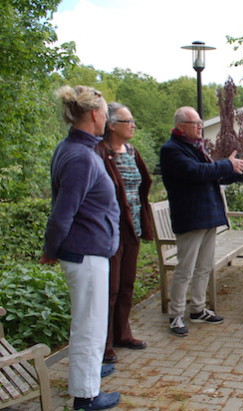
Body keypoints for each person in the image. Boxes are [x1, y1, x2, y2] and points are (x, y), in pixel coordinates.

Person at [40, 85, 121, 410]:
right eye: (105, 113)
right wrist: (51, 248)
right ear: (93, 115)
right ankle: (86, 396)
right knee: (90, 324)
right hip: (85, 254)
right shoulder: (80, 156)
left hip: (87, 251)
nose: (107, 119)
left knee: (89, 320)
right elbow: (62, 212)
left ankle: (87, 373)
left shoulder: (73, 148)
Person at [160, 106, 243, 337]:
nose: (200, 126)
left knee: (204, 266)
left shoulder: (196, 147)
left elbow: (212, 173)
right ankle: (176, 316)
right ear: (180, 127)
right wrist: (226, 164)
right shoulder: (172, 150)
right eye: (195, 122)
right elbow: (195, 172)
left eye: (200, 122)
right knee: (185, 269)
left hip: (207, 216)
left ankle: (197, 309)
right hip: (190, 218)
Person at [95, 103, 153, 364]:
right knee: (111, 289)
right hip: (111, 231)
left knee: (127, 284)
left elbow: (143, 185)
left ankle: (122, 334)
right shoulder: (99, 152)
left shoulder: (131, 151)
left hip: (133, 229)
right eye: (128, 121)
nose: (132, 125)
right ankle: (104, 344)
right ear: (111, 125)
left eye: (133, 121)